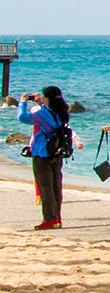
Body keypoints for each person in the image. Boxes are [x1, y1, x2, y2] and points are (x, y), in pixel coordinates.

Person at [16, 86, 72, 229]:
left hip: (42, 152)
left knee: (45, 187)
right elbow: (52, 119)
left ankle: (49, 219)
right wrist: (40, 103)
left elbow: (22, 118)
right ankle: (57, 218)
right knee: (56, 186)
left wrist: (22, 103)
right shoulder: (63, 112)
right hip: (57, 152)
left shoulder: (42, 114)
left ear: (47, 98)